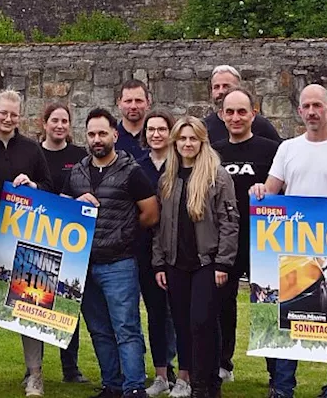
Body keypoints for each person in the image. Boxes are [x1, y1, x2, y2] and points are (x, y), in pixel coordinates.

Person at [250, 84, 327, 398]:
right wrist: (260, 192)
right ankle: (283, 388)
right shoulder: (287, 149)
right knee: (288, 318)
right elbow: (271, 189)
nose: (312, 111)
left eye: (318, 105)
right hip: (293, 246)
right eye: (306, 105)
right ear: (300, 111)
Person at [65, 108, 160, 398]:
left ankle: (134, 387)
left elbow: (150, 214)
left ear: (114, 135)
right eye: (92, 134)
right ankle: (112, 384)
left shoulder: (132, 173)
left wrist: (124, 235)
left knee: (126, 328)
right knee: (99, 329)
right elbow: (63, 207)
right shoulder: (77, 172)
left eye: (102, 133)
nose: (97, 139)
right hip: (83, 264)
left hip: (118, 263)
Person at [0, 90, 50, 397]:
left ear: (21, 116)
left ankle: (35, 375)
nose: (8, 118)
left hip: (24, 243)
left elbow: (49, 186)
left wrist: (33, 186)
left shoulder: (31, 149)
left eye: (14, 114)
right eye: (3, 113)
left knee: (30, 308)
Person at [153, 117, 239, 398]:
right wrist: (159, 262)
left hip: (208, 262)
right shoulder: (168, 177)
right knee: (182, 324)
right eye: (182, 139)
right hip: (175, 262)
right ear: (174, 142)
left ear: (202, 142)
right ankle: (190, 382)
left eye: (193, 139)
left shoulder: (217, 175)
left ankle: (207, 383)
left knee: (203, 321)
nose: (187, 144)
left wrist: (224, 262)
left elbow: (229, 221)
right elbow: (159, 224)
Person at [210, 89, 280, 388]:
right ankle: (223, 363)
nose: (236, 117)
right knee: (222, 304)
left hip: (263, 240)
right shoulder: (213, 151)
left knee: (268, 305)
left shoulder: (272, 150)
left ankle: (277, 372)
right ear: (222, 115)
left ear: (254, 112)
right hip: (225, 242)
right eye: (230, 112)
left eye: (242, 111)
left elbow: (285, 191)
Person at [37, 103, 87, 385]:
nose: (59, 125)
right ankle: (34, 369)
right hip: (40, 236)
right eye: (54, 120)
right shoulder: (35, 153)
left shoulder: (79, 156)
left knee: (69, 303)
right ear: (44, 123)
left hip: (71, 240)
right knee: (36, 302)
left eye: (64, 121)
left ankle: (71, 368)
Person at [138, 110, 181, 397]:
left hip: (179, 248)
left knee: (179, 312)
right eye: (151, 129)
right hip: (145, 249)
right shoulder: (137, 166)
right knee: (155, 312)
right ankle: (161, 373)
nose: (156, 134)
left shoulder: (182, 165)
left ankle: (183, 369)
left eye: (161, 129)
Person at [202, 66, 281, 143]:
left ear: (238, 88)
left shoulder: (261, 126)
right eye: (216, 87)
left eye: (226, 86)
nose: (221, 91)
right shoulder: (204, 128)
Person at [115, 79, 153, 166]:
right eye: (128, 101)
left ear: (148, 103)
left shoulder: (157, 138)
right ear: (119, 103)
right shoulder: (111, 139)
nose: (133, 106)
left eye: (138, 101)